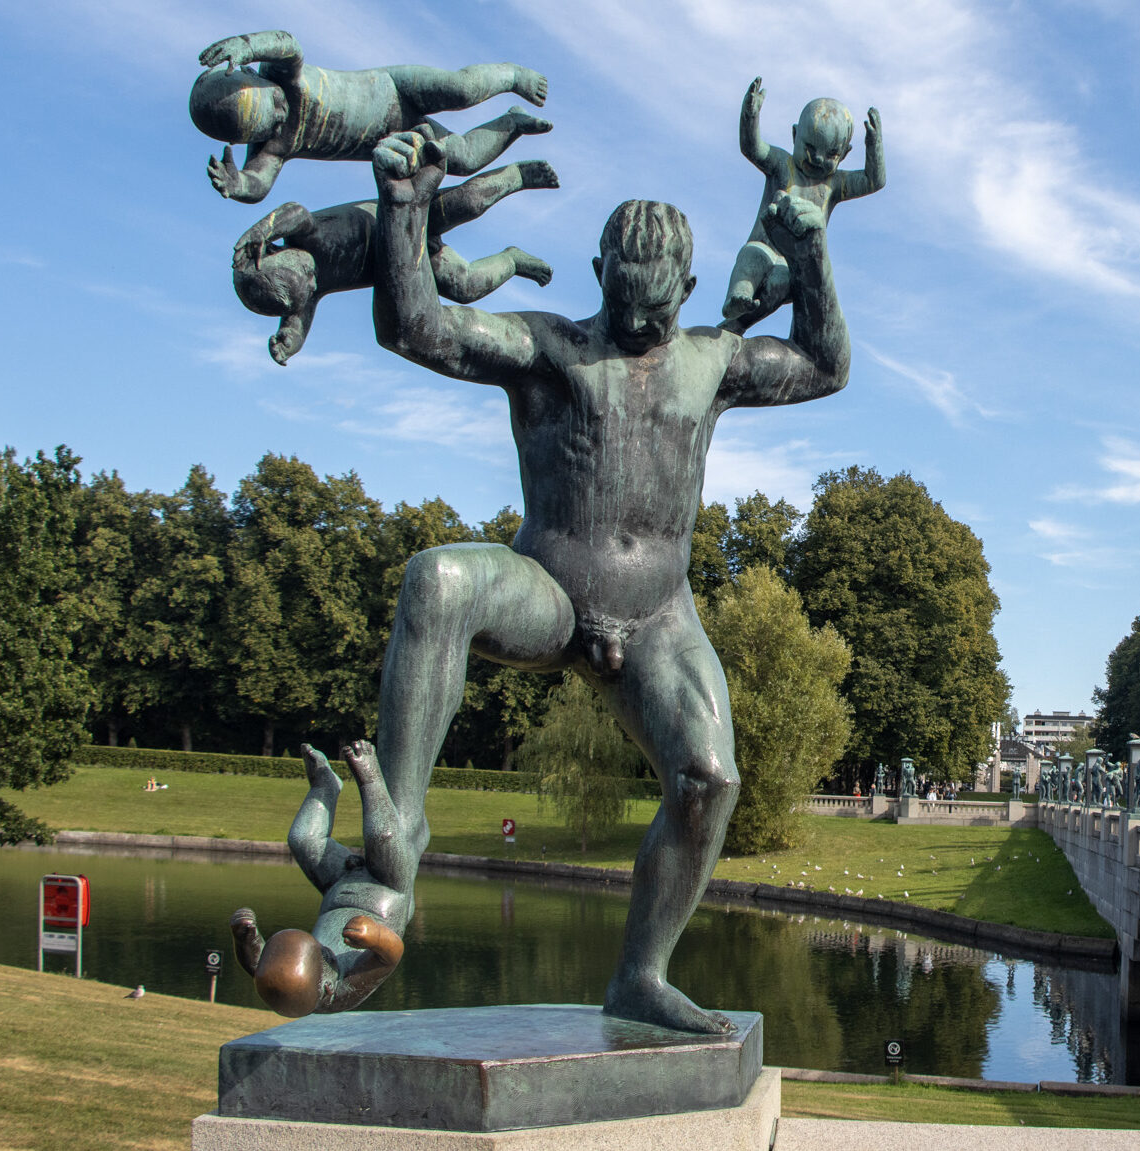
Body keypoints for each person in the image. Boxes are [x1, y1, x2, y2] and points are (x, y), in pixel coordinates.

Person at [355, 128, 850, 1034]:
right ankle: (395, 848)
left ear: (689, 295)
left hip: (659, 614)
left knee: (709, 778)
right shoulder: (550, 349)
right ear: (598, 270)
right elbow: (415, 325)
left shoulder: (710, 361)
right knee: (437, 580)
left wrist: (813, 251)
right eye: (622, 301)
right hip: (548, 588)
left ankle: (639, 977)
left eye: (654, 312)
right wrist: (403, 209)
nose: (636, 324)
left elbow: (825, 365)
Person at [230, 161, 558, 364]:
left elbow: (295, 211)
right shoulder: (307, 290)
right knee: (466, 286)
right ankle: (512, 260)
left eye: (305, 274)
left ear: (272, 250)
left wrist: (261, 228)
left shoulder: (305, 234)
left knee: (467, 202)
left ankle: (514, 175)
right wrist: (289, 343)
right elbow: (297, 320)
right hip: (411, 259)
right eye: (307, 288)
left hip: (406, 217)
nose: (313, 280)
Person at [190, 30, 551, 204]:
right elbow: (259, 184)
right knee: (464, 158)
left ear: (253, 75)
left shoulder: (281, 73)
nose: (280, 113)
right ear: (244, 139)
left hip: (393, 88)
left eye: (270, 103)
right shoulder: (271, 148)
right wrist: (239, 186)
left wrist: (249, 43)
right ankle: (512, 123)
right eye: (264, 124)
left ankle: (512, 76)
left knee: (461, 90)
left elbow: (288, 43)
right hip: (399, 134)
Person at [231, 743, 409, 1016]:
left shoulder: (286, 980)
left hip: (337, 886)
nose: (323, 949)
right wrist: (375, 937)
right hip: (386, 889)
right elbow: (391, 957)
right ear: (326, 986)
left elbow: (256, 965)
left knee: (302, 839)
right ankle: (371, 778)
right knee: (382, 838)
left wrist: (246, 938)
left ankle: (325, 783)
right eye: (322, 956)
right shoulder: (340, 991)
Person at [721, 79, 884, 333]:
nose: (818, 159)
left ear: (845, 154)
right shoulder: (781, 163)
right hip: (763, 246)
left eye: (831, 155)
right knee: (751, 256)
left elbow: (874, 181)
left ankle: (741, 321)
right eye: (809, 148)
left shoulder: (833, 184)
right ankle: (739, 296)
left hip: (792, 263)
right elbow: (751, 147)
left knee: (781, 280)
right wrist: (750, 116)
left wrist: (874, 147)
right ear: (795, 135)